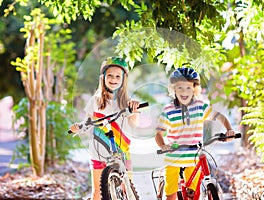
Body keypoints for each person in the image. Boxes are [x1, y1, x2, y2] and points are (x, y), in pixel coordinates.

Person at [155, 67, 235, 200]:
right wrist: (163, 145)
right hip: (173, 157)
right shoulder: (168, 110)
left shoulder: (200, 107)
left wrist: (229, 129)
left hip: (194, 157)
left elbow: (220, 116)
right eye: (180, 88)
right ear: (174, 89)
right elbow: (158, 134)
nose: (184, 91)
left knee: (193, 194)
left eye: (188, 88)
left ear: (194, 89)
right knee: (171, 195)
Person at [69, 57, 140, 200]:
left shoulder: (127, 101)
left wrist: (135, 110)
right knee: (97, 193)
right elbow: (88, 121)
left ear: (123, 79)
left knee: (128, 189)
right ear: (103, 78)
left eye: (117, 76)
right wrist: (78, 127)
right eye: (110, 76)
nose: (113, 79)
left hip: (122, 150)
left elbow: (134, 124)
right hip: (99, 151)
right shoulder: (96, 100)